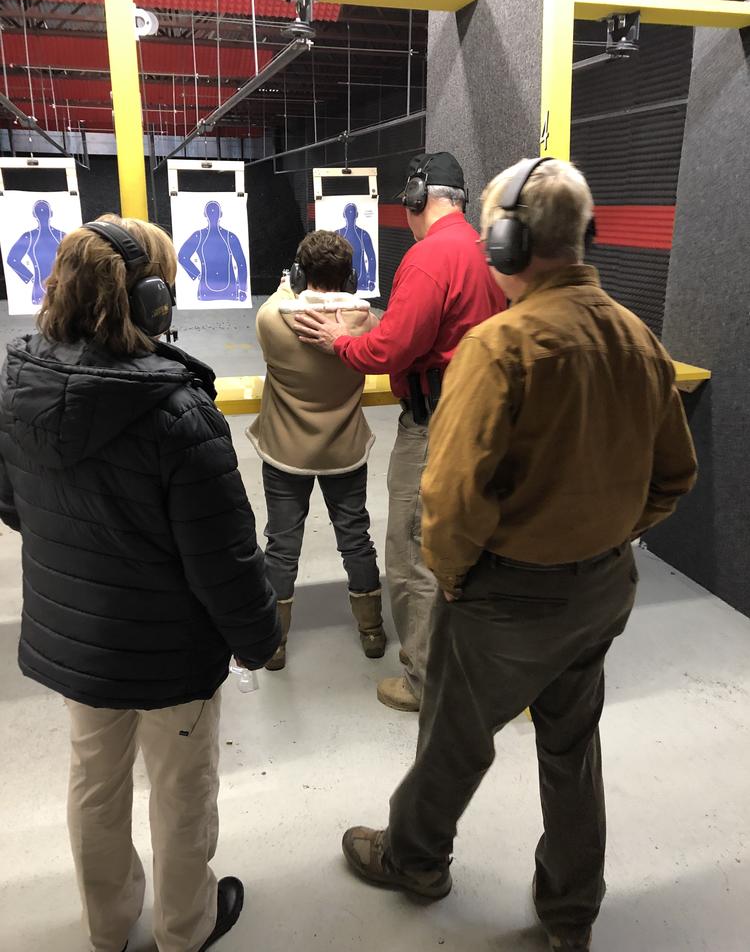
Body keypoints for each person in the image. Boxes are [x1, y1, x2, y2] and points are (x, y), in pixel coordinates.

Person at [339, 158, 698, 952]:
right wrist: (611, 535)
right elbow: (676, 474)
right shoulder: (638, 337)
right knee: (572, 749)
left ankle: (414, 859)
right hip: (604, 590)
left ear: (506, 243)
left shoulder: (500, 346)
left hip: (508, 598)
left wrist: (458, 576)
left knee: (452, 742)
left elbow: (453, 499)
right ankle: (572, 916)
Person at [0, 214, 279, 952]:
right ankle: (186, 929)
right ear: (149, 301)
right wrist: (259, 641)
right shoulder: (180, 412)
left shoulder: (16, 383)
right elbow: (223, 558)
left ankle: (108, 927)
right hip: (170, 655)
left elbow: (13, 502)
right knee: (183, 793)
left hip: (79, 644)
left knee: (95, 783)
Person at [295, 151, 506, 712]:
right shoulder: (483, 251)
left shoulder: (426, 257)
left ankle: (423, 680)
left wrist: (340, 341)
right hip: (480, 421)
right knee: (469, 546)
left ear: (415, 198)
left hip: (434, 425)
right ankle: (469, 666)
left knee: (414, 551)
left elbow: (388, 350)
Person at [248, 230, 384, 669]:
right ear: (349, 278)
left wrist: (292, 283)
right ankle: (372, 631)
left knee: (282, 545)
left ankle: (275, 643)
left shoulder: (272, 319)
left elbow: (281, 297)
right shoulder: (367, 323)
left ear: (303, 271)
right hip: (345, 450)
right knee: (356, 539)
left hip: (287, 452)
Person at [178, 199, 249, 302]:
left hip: (220, 291)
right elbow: (182, 256)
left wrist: (242, 289)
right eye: (211, 212)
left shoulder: (228, 237)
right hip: (220, 292)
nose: (213, 215)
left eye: (215, 212)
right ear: (221, 214)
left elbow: (241, 263)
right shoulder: (228, 236)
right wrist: (196, 274)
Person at [337, 201, 377, 292]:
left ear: (357, 215)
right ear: (344, 215)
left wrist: (372, 279)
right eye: (348, 213)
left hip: (361, 282)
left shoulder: (363, 234)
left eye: (352, 213)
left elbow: (371, 257)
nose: (350, 216)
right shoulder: (338, 234)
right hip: (342, 281)